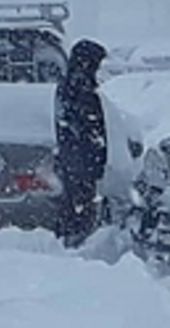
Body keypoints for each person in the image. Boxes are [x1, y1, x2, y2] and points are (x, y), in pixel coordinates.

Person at [54, 38, 108, 248]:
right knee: (79, 195)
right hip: (80, 153)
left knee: (73, 195)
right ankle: (76, 236)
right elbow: (88, 120)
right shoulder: (81, 86)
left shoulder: (69, 83)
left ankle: (71, 232)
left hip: (74, 153)